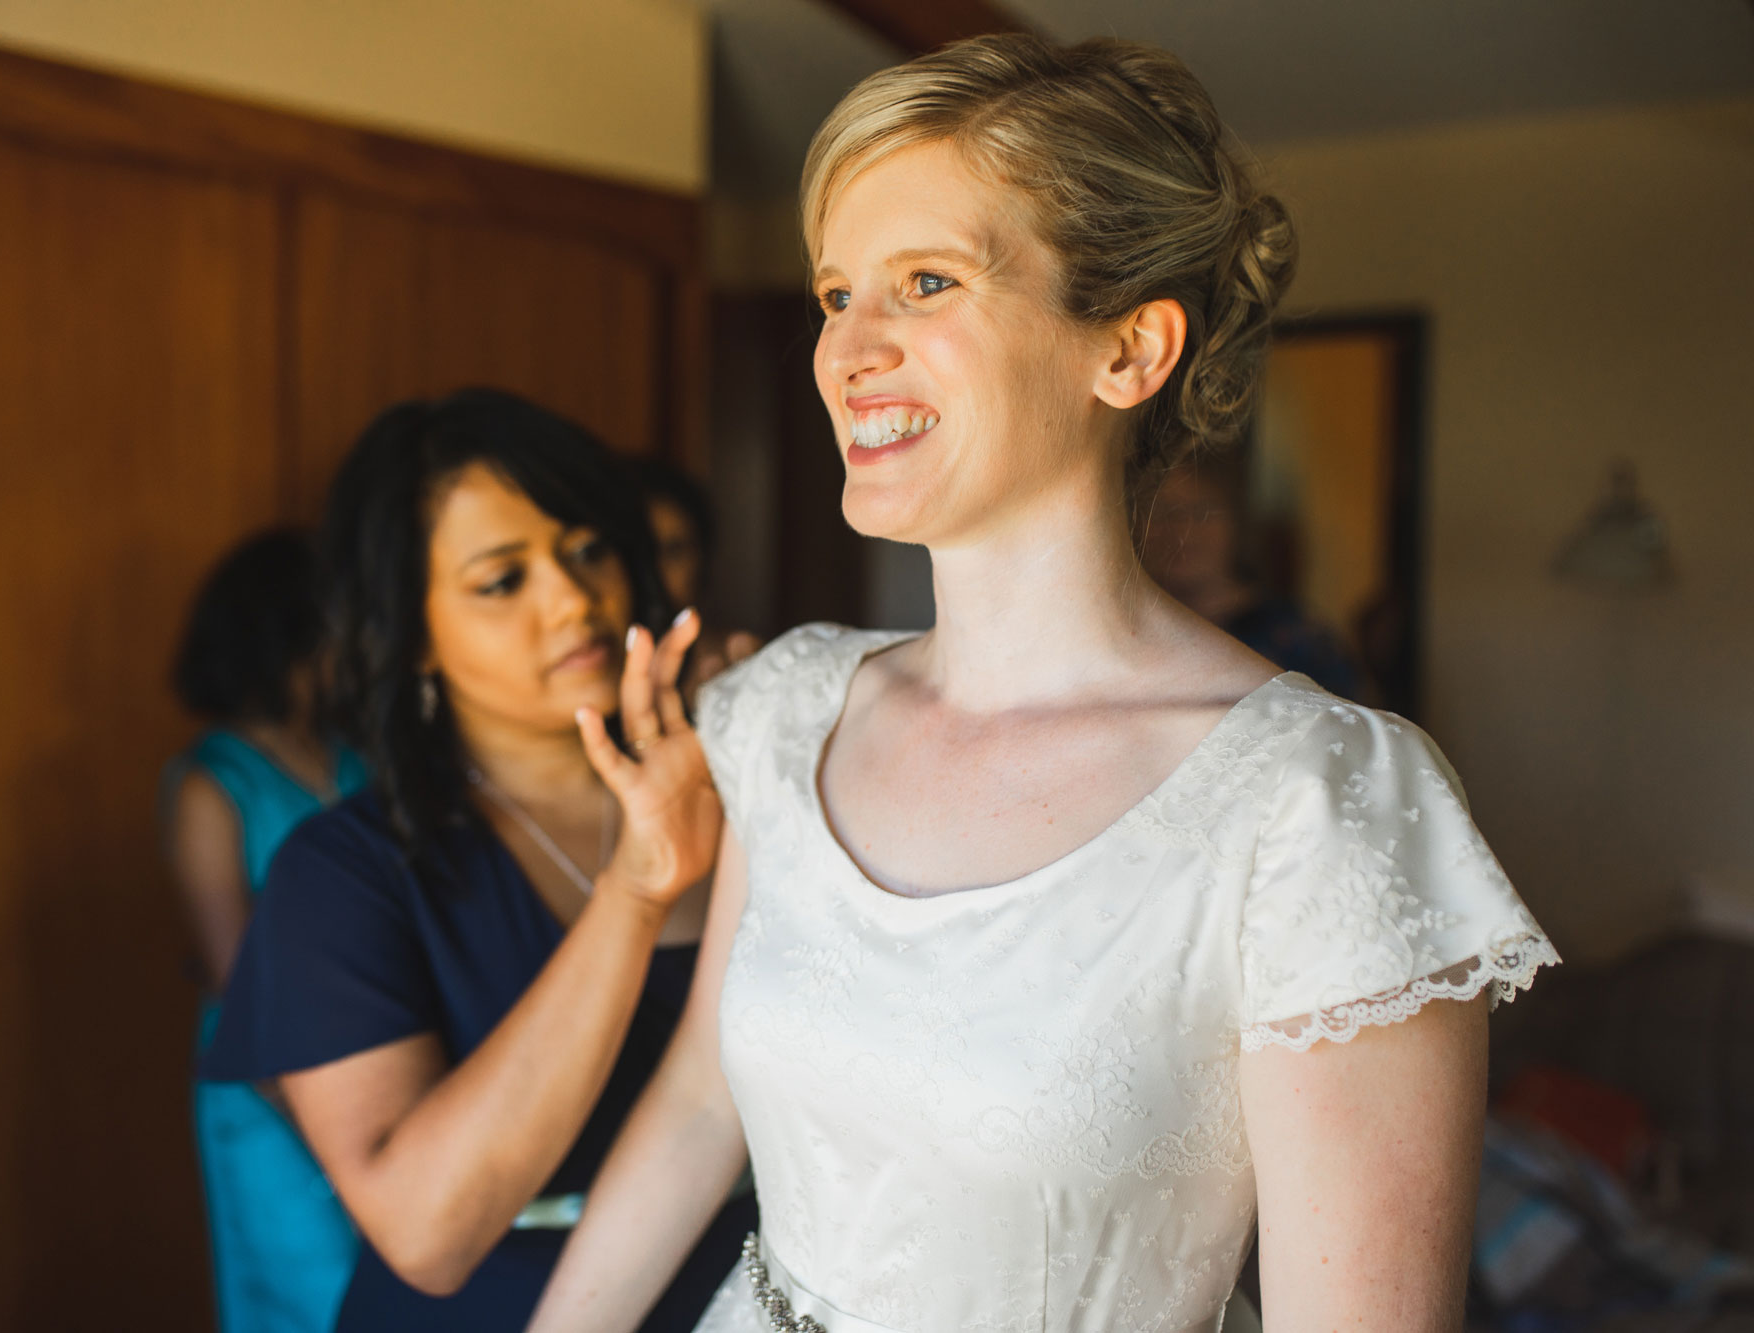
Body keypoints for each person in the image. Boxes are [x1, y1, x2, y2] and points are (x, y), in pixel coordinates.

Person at [529, 34, 1558, 1333]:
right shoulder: (791, 709)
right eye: (835, 294)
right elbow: (696, 1104)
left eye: (926, 281)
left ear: (1127, 352)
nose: (849, 350)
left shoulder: (1313, 807)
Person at [197, 389, 757, 1330]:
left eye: (587, 551)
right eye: (503, 580)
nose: (573, 600)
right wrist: (635, 888)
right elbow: (427, 1232)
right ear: (411, 632)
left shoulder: (751, 783)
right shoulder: (341, 873)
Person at [163, 528, 372, 1333]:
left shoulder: (354, 755)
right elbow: (236, 974)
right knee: (302, 1288)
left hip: (373, 1034)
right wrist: (329, 1128)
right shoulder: (212, 783)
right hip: (267, 1075)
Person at [1138, 459, 1364, 698]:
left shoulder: (1296, 636)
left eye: (1201, 512)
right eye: (1163, 512)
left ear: (1235, 524)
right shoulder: (1131, 629)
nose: (1182, 529)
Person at [628, 458, 761, 682]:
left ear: (702, 559)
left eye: (673, 551)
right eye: (638, 553)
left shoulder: (742, 666)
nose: (654, 571)